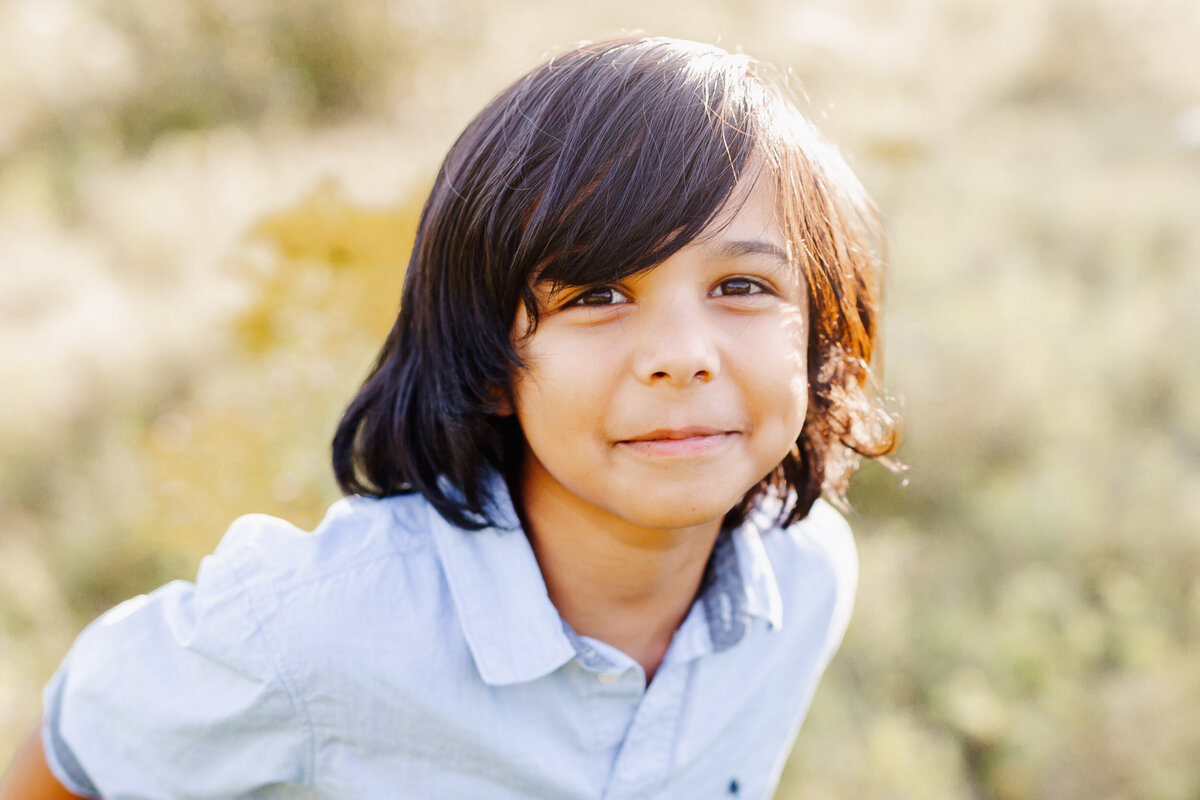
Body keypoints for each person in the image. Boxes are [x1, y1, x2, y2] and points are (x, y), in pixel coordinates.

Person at [1, 36, 899, 799]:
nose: (681, 352)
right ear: (489, 358)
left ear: (825, 338)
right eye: (594, 293)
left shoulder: (807, 579)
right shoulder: (312, 627)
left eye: (742, 286)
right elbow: (74, 746)